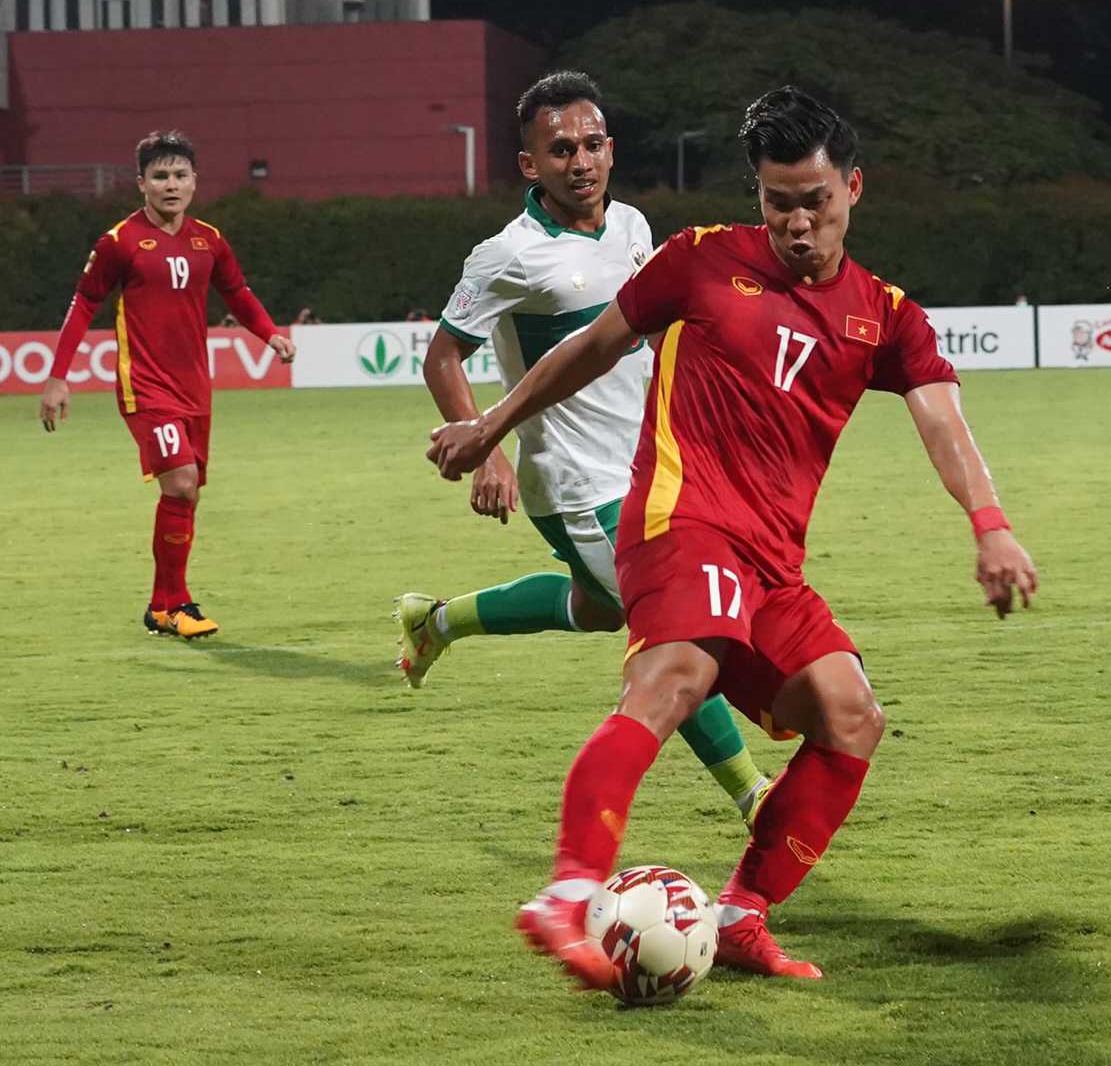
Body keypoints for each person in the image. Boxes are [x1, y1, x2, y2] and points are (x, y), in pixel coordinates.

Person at [427, 86, 1037, 986]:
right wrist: (491, 426)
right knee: (679, 674)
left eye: (815, 202)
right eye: (777, 201)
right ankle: (567, 894)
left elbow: (944, 420)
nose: (796, 222)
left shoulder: (887, 315)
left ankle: (744, 916)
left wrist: (991, 525)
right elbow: (590, 347)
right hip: (680, 519)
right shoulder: (701, 261)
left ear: (854, 189)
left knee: (850, 718)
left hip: (771, 564)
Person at [395, 71, 770, 824]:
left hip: (653, 466)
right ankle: (757, 796)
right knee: (673, 627)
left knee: (600, 611)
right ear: (530, 165)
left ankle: (433, 622)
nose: (581, 161)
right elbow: (442, 357)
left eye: (593, 144)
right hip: (576, 483)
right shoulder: (508, 256)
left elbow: (652, 327)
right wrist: (492, 453)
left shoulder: (632, 226)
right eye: (560, 149)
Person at [39, 132, 296, 638]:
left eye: (180, 175)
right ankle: (179, 604)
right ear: (141, 184)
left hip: (195, 387)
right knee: (178, 484)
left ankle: (160, 607)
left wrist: (269, 334)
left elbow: (237, 292)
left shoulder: (209, 239)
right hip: (146, 387)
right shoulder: (119, 242)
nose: (170, 184)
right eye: (160, 176)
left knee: (186, 496)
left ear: (195, 182)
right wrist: (57, 377)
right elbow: (83, 305)